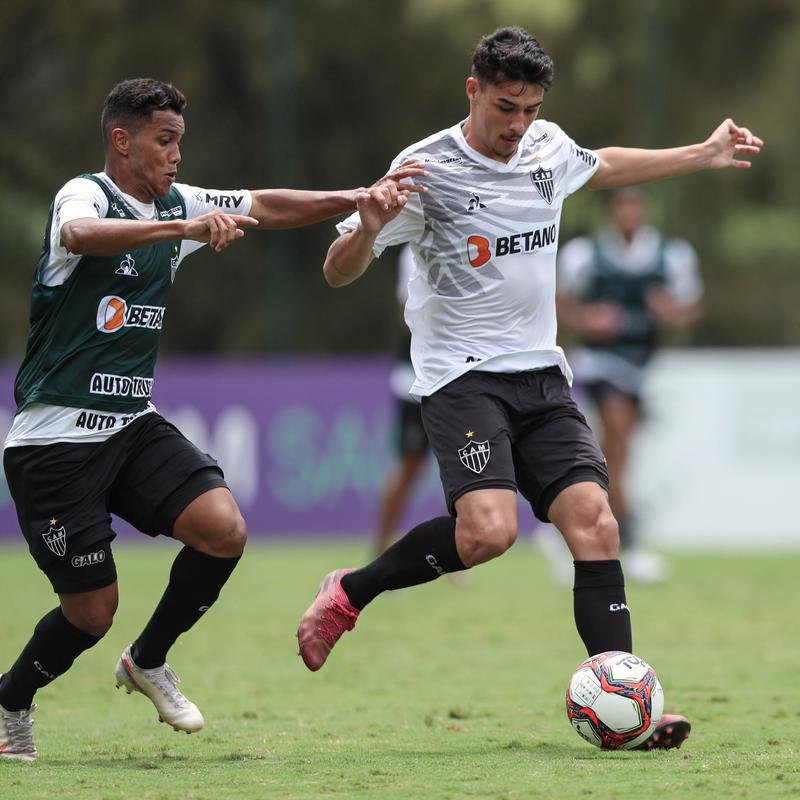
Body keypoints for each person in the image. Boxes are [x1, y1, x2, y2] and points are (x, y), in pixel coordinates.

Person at [295, 27, 761, 752]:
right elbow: (336, 271)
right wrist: (368, 229)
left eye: (531, 109)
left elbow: (601, 166)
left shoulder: (546, 148)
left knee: (596, 523)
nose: (518, 126)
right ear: (473, 89)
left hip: (541, 374)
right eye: (506, 107)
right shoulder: (423, 170)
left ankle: (626, 707)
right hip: (461, 377)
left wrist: (700, 154)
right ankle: (351, 592)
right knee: (488, 534)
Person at [0, 78, 422, 761]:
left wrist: (358, 198)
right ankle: (11, 699)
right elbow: (80, 235)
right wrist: (184, 228)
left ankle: (150, 658)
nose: (174, 157)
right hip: (53, 443)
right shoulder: (85, 195)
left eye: (179, 143)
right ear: (121, 140)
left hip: (130, 424)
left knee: (224, 530)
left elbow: (267, 205)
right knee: (90, 614)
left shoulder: (179, 201)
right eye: (163, 142)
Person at [553, 189, 704, 583]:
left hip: (644, 367)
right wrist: (587, 319)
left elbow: (691, 307)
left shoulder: (672, 254)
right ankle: (628, 542)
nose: (629, 215)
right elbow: (554, 302)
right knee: (617, 441)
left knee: (614, 452)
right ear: (609, 214)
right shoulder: (583, 255)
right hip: (601, 363)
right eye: (621, 208)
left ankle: (571, 524)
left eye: (636, 206)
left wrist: (671, 312)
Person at [374, 244, 431, 555]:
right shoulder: (412, 251)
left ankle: (457, 551)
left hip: (461, 377)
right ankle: (381, 548)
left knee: (464, 468)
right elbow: (406, 314)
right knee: (410, 468)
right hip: (416, 382)